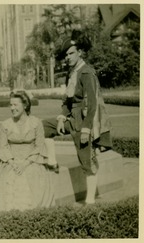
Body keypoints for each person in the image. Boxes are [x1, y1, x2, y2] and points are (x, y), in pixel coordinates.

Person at [42, 29, 112, 205]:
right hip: (71, 119)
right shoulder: (71, 74)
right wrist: (60, 118)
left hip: (84, 121)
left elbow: (93, 104)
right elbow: (67, 101)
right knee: (43, 127)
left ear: (80, 53)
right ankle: (52, 161)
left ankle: (90, 201)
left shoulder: (87, 72)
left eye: (71, 53)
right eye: (66, 55)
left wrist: (87, 129)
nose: (68, 57)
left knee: (86, 160)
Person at [0, 90, 56, 211]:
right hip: (11, 162)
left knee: (31, 174)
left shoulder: (36, 123)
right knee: (11, 176)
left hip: (32, 161)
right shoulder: (5, 124)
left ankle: (30, 211)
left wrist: (25, 163)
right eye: (10, 105)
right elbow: (3, 147)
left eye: (15, 105)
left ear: (25, 105)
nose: (12, 108)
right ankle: (12, 213)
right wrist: (12, 162)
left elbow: (39, 146)